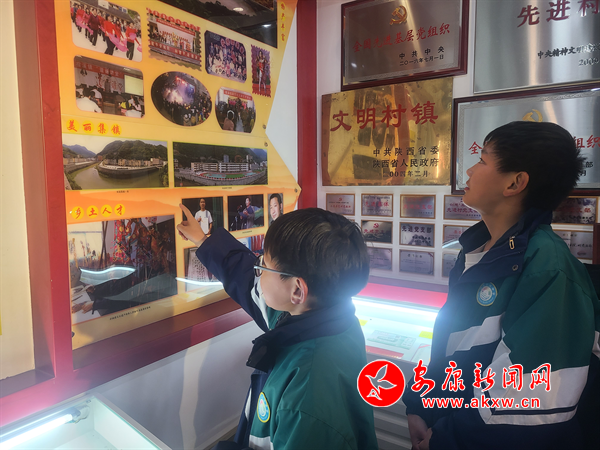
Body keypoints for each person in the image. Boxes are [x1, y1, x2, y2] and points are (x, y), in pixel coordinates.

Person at [403, 121, 600, 450]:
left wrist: (446, 438)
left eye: (482, 160)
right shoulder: (478, 250)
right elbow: (453, 343)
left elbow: (531, 395)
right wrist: (420, 403)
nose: (469, 171)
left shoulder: (547, 267)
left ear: (515, 182)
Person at [176, 206, 378, 450]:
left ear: (297, 290)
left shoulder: (307, 403)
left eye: (263, 263)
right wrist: (203, 240)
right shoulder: (326, 317)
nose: (258, 270)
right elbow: (247, 279)